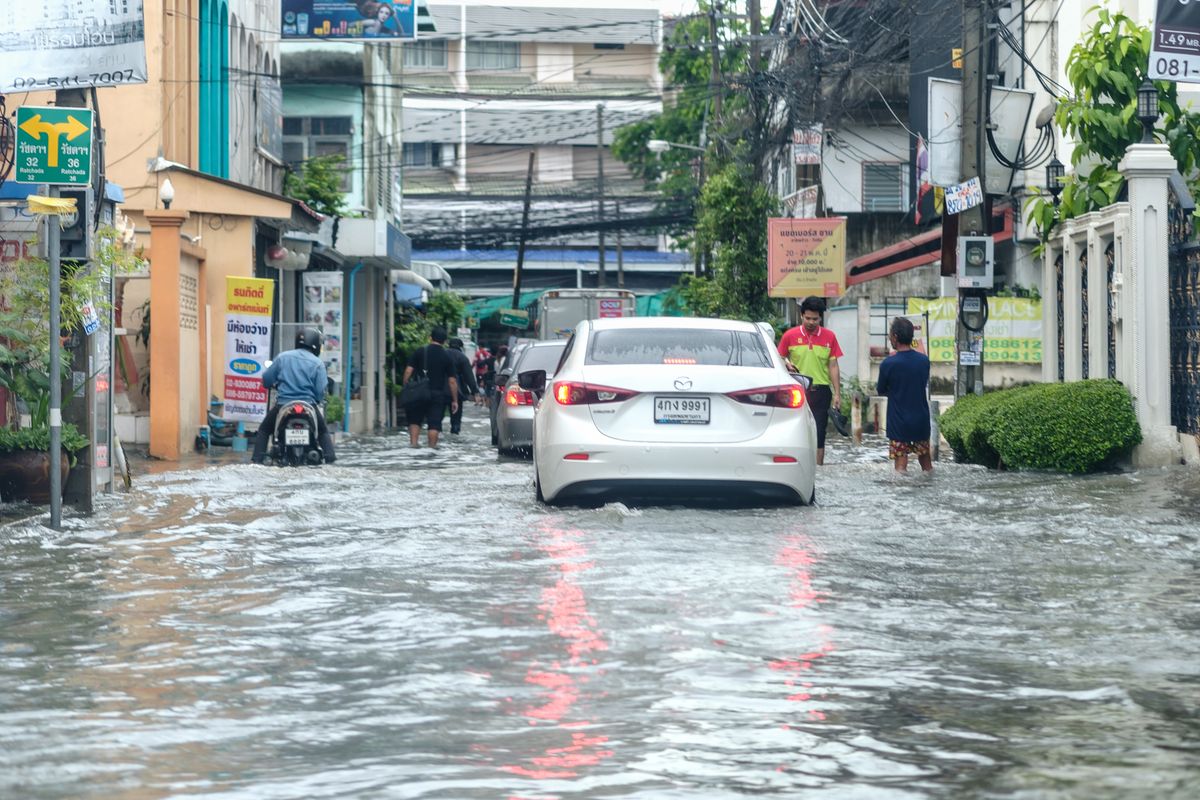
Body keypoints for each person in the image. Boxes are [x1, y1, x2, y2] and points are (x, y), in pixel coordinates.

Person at [252, 327, 336, 464]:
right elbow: (320, 391)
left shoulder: (282, 357)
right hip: (309, 406)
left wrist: (272, 384)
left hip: (283, 406)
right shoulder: (318, 363)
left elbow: (266, 380)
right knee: (323, 432)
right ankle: (330, 459)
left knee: (264, 429)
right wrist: (317, 399)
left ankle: (256, 461)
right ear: (315, 344)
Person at [777, 296, 843, 465]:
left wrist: (837, 394)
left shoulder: (830, 337)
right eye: (808, 318)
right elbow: (778, 358)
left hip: (821, 391)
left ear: (821, 318)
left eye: (815, 319)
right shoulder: (789, 336)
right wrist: (786, 363)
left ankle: (817, 470)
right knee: (795, 430)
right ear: (801, 316)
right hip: (796, 392)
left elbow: (833, 365)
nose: (811, 322)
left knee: (819, 433)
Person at [876, 316, 933, 473]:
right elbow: (922, 382)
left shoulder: (888, 363)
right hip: (921, 420)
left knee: (901, 467)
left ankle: (902, 497)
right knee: (926, 464)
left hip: (899, 422)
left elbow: (881, 390)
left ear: (894, 337)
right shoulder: (924, 361)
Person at [401, 325, 459, 448]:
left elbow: (408, 371)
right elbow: (452, 381)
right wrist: (454, 400)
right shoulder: (447, 356)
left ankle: (413, 445)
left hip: (418, 393)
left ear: (430, 337)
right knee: (434, 424)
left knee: (415, 421)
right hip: (437, 394)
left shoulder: (420, 351)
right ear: (444, 341)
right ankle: (431, 449)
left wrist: (406, 387)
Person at [446, 337, 481, 435]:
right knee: (456, 416)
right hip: (457, 390)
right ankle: (455, 431)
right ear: (461, 347)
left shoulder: (442, 354)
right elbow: (469, 376)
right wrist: (475, 392)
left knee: (437, 417)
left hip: (440, 388)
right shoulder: (462, 357)